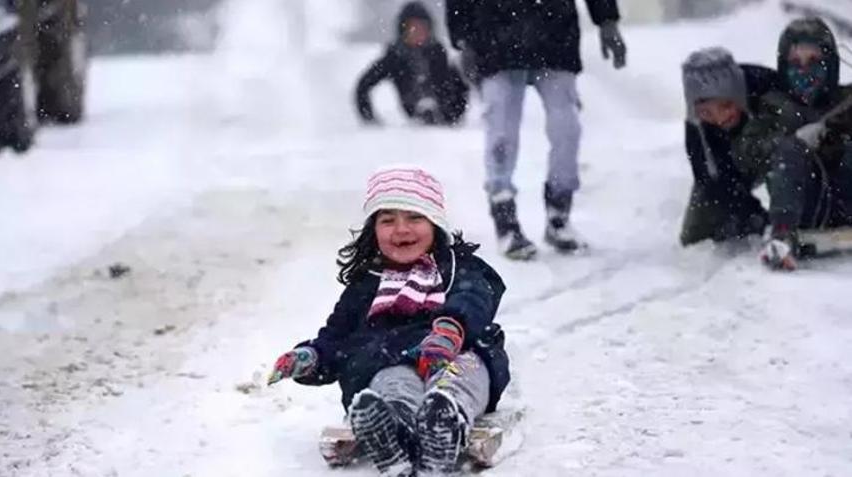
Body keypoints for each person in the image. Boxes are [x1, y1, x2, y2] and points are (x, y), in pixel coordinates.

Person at [266, 166, 510, 476]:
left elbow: (474, 297)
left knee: (459, 377)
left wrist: (449, 329)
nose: (401, 229)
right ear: (373, 229)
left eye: (414, 218)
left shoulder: (457, 268)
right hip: (389, 361)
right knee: (391, 384)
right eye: (388, 220)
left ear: (436, 223)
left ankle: (444, 422)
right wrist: (310, 357)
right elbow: (337, 337)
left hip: (455, 353)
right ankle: (392, 433)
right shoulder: (366, 284)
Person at [445, 0, 627, 260]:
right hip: (494, 39)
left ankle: (559, 215)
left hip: (555, 35)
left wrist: (607, 20)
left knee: (567, 130)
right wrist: (462, 39)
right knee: (501, 136)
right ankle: (505, 220)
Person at [732, 17, 852, 270]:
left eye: (814, 63)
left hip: (846, 199)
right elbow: (746, 154)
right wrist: (792, 141)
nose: (805, 71)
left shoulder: (845, 101)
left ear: (829, 65)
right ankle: (781, 239)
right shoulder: (773, 106)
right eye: (796, 63)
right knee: (789, 151)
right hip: (802, 210)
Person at [679, 47, 779, 246]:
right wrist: (754, 217)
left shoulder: (770, 88)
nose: (719, 118)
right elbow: (711, 182)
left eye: (725, 106)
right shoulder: (697, 129)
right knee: (696, 236)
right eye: (706, 113)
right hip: (733, 167)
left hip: (780, 156)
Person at [355, 2, 469, 126]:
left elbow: (458, 86)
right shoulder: (395, 57)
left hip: (447, 120)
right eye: (412, 28)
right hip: (414, 119)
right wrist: (369, 119)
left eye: (422, 28)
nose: (418, 33)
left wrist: (454, 113)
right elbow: (364, 86)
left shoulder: (438, 52)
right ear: (403, 31)